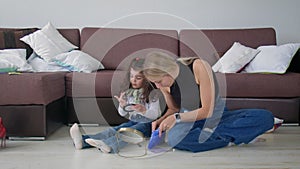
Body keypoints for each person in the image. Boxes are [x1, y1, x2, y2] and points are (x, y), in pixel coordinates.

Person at [142, 51, 274, 153]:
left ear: (168, 71)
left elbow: (207, 110)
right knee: (175, 139)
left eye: (158, 81)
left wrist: (175, 118)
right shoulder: (164, 85)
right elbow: (174, 109)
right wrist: (162, 120)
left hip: (215, 115)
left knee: (266, 118)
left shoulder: (199, 67)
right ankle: (234, 136)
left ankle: (216, 135)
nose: (158, 86)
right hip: (189, 118)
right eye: (154, 83)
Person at [70, 57, 162, 153]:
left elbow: (155, 115)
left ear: (147, 79)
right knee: (114, 130)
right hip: (133, 121)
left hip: (148, 125)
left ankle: (109, 144)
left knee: (128, 132)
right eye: (131, 76)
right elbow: (122, 114)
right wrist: (122, 105)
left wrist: (144, 111)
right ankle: (82, 141)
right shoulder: (129, 93)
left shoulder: (153, 95)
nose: (133, 80)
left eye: (138, 78)